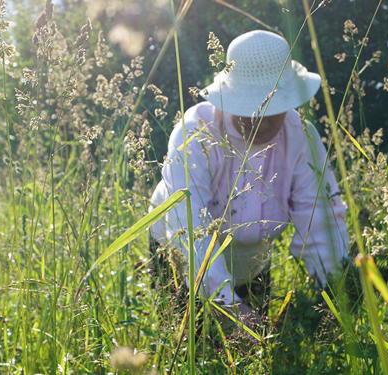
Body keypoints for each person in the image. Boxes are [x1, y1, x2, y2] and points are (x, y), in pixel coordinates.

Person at [149, 30, 349, 329]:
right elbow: (189, 228)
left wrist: (335, 290)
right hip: (182, 259)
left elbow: (319, 215)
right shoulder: (196, 131)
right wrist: (226, 306)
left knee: (257, 347)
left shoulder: (301, 137)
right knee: (195, 341)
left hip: (254, 260)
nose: (260, 119)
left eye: (272, 109)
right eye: (249, 107)